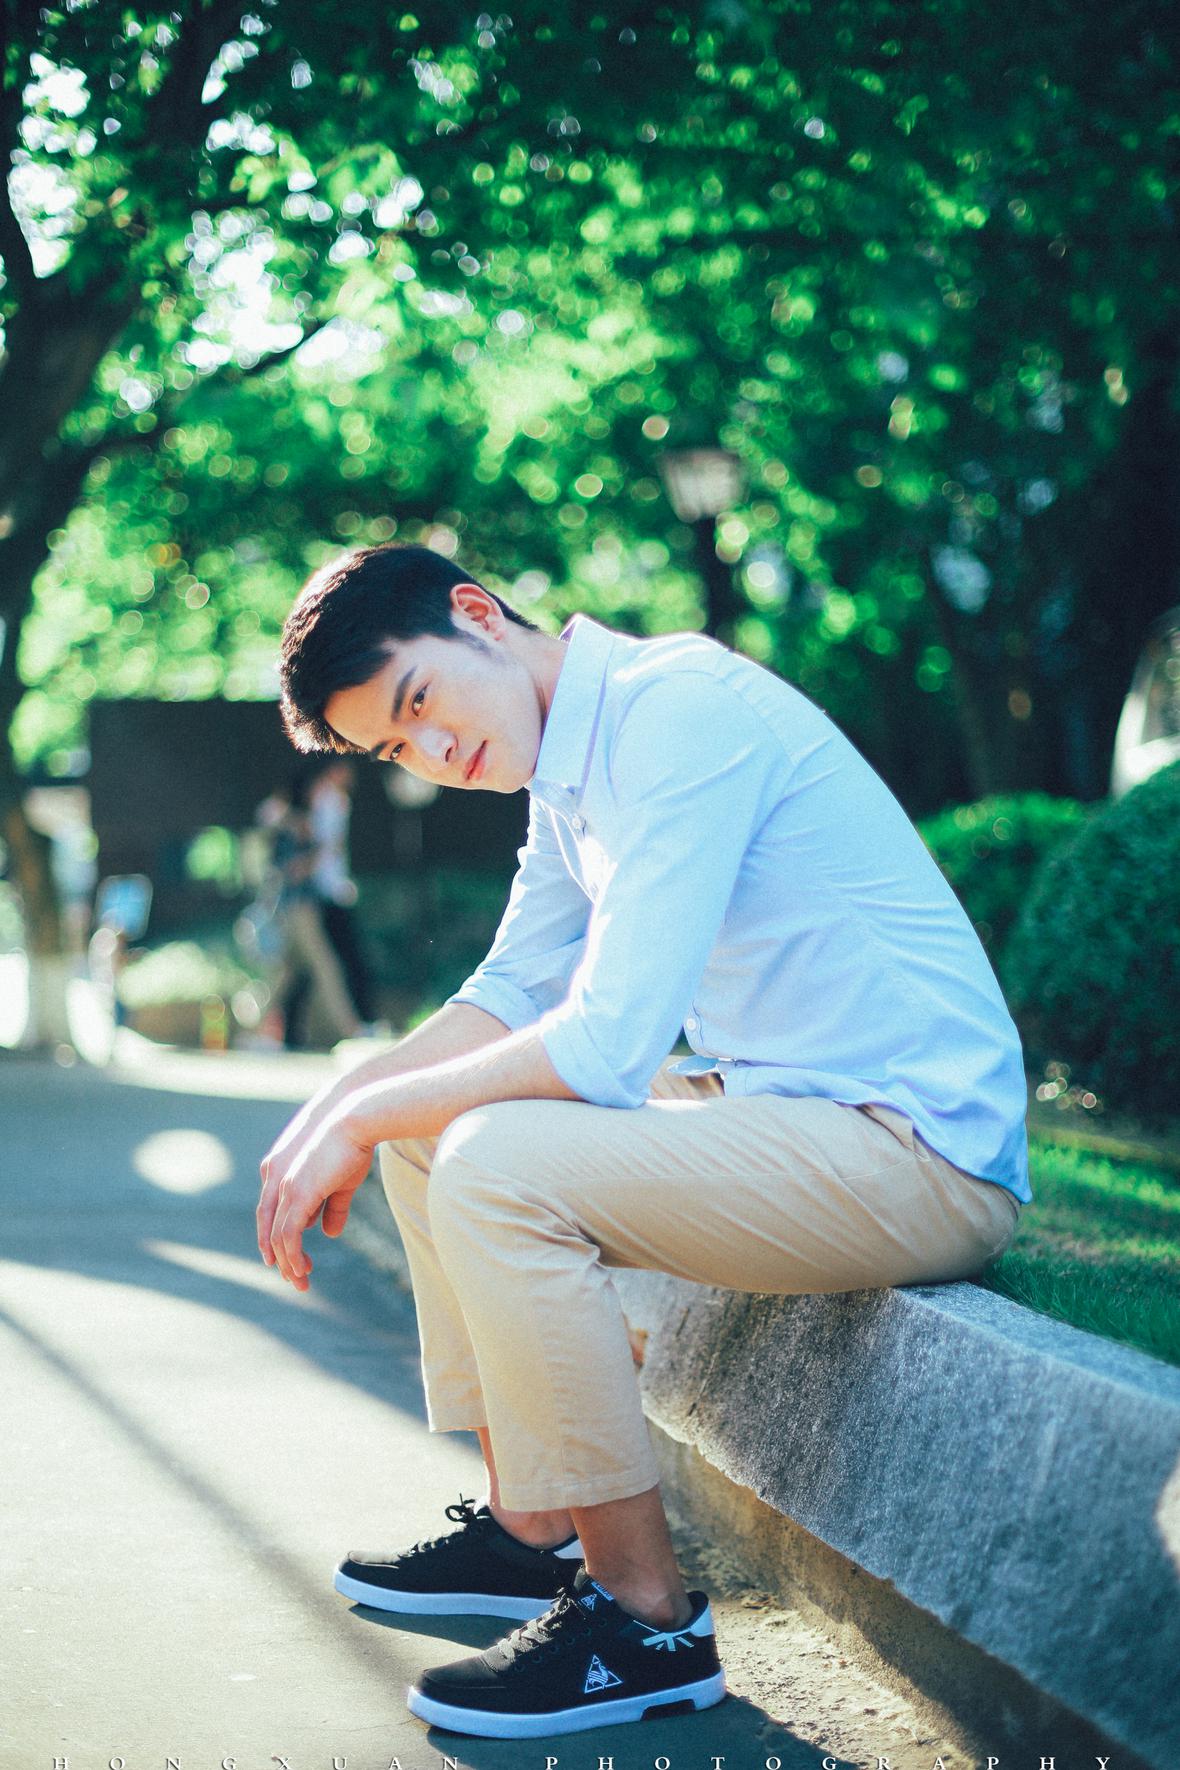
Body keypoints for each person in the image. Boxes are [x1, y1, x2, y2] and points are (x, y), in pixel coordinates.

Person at [256, 542, 1029, 1741]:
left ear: (477, 615)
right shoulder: (566, 765)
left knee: (491, 1163)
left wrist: (359, 1113)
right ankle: (533, 1528)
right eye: (399, 750)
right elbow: (510, 989)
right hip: (783, 1107)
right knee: (426, 1132)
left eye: (419, 703)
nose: (437, 752)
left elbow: (605, 1045)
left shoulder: (675, 712)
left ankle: (645, 1624)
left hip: (916, 1150)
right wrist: (343, 1103)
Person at [268, 776, 364, 1048]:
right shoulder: (293, 827)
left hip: (301, 907)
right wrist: (316, 853)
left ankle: (257, 1029)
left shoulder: (296, 825)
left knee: (286, 974)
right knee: (326, 966)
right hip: (300, 908)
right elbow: (289, 869)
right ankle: (351, 1029)